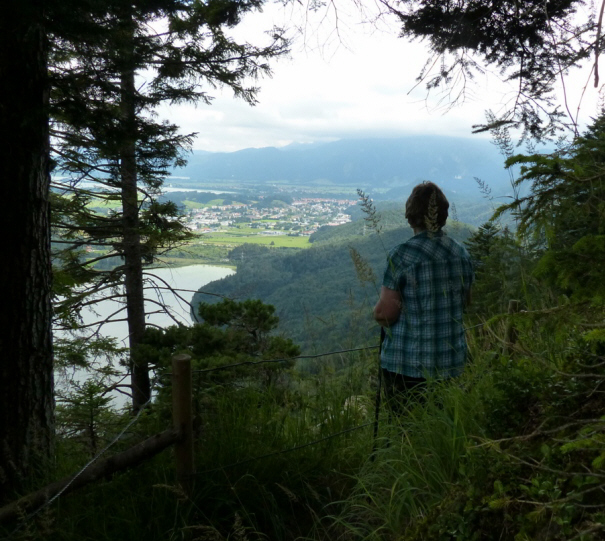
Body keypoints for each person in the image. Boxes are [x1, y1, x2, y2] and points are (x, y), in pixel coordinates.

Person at [373, 181, 474, 412]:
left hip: (409, 366)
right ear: (443, 214)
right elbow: (466, 301)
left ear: (410, 215)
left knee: (406, 430)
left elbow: (385, 314)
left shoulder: (403, 255)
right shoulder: (460, 252)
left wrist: (376, 313)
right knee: (443, 426)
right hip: (451, 362)